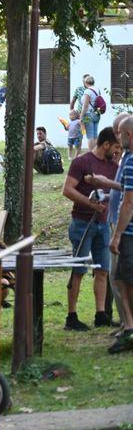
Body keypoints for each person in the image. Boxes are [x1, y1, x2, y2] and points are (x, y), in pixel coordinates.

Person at [62, 126, 121, 331]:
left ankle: (100, 314)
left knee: (102, 270)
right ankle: (71, 316)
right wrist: (90, 204)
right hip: (82, 223)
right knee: (79, 270)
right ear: (106, 144)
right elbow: (67, 190)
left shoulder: (113, 166)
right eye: (116, 147)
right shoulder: (82, 162)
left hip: (103, 225)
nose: (117, 151)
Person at [108, 117, 133, 353]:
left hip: (128, 231)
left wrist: (117, 235)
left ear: (128, 135)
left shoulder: (130, 160)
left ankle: (130, 328)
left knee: (124, 280)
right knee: (121, 278)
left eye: (120, 133)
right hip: (126, 229)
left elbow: (128, 202)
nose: (118, 138)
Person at [79, 75, 102, 150]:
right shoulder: (97, 89)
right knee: (95, 135)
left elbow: (85, 105)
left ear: (85, 83)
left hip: (88, 115)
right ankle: (96, 153)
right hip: (97, 114)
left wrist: (81, 116)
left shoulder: (87, 91)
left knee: (90, 136)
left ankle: (91, 154)